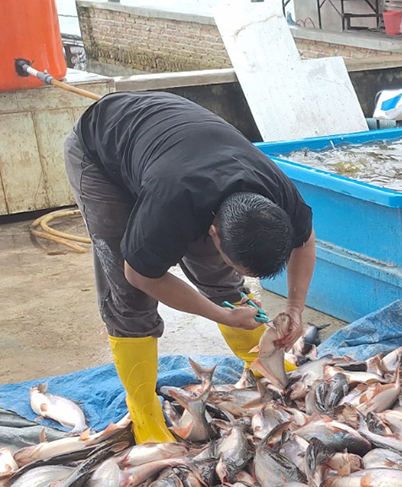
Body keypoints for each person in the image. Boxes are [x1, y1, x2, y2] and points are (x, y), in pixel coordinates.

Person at [64, 91, 316, 444]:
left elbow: (304, 241)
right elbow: (139, 274)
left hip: (175, 146)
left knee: (221, 279)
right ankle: (143, 410)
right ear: (214, 231)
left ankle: (261, 362)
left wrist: (294, 307)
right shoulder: (172, 202)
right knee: (130, 297)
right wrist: (222, 315)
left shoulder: (277, 192)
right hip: (101, 152)